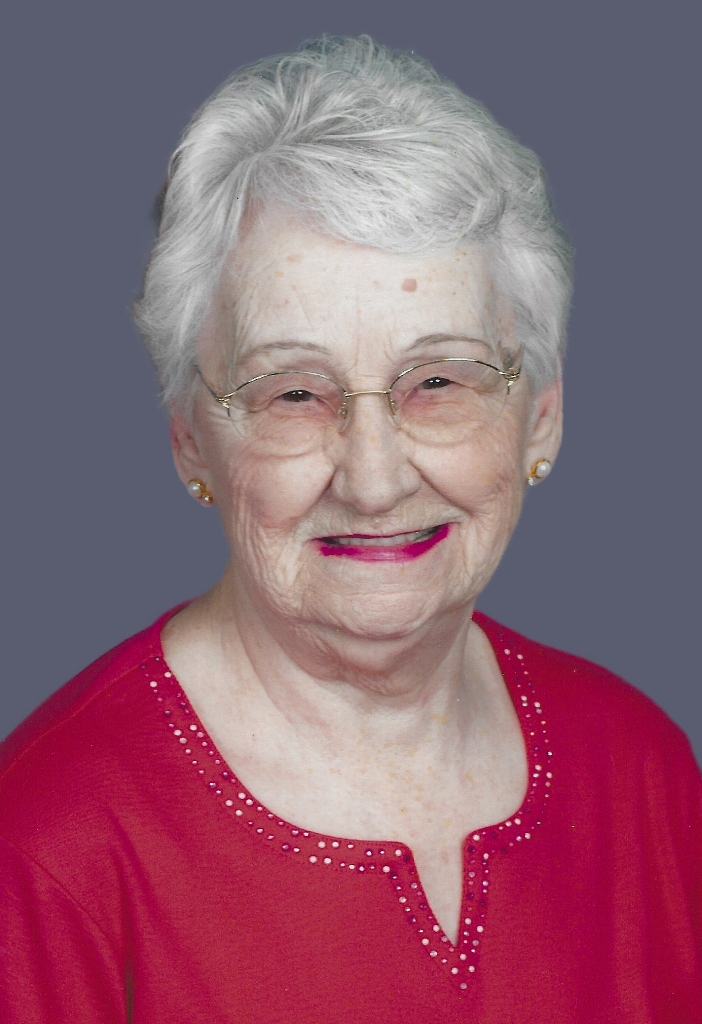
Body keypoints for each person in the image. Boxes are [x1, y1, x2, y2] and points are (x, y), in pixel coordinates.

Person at [0, 35, 699, 1024]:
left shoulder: (643, 774)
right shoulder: (45, 850)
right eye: (293, 393)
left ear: (540, 416)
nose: (373, 480)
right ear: (191, 437)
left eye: (439, 382)